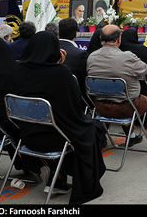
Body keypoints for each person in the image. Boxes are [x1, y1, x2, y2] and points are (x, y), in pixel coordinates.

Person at [15, 30, 107, 204]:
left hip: (27, 135)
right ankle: (62, 176)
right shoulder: (60, 73)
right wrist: (60, 66)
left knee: (83, 127)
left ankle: (58, 177)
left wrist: (58, 66)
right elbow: (74, 109)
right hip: (56, 137)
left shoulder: (19, 69)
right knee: (92, 128)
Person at [86, 25, 147, 151]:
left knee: (122, 95)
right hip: (126, 107)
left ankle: (132, 136)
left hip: (100, 107)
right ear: (119, 39)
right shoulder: (127, 56)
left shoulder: (91, 57)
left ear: (101, 38)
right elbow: (144, 69)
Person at [58, 18, 89, 105]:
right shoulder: (80, 54)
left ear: (58, 33)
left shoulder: (48, 49)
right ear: (76, 34)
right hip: (74, 102)